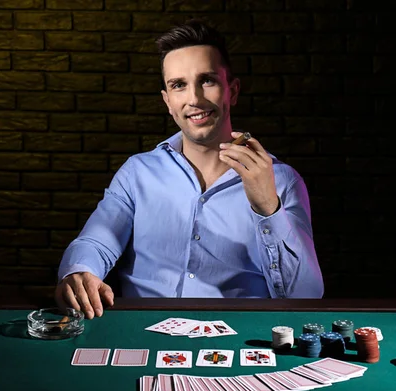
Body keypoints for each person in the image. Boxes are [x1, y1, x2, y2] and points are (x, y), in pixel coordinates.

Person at [55, 20, 324, 319]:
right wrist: (79, 271)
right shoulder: (137, 172)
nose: (194, 99)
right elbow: (96, 241)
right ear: (168, 101)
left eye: (207, 80)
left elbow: (306, 297)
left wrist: (267, 208)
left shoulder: (283, 180)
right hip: (143, 332)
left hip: (240, 339)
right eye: (179, 85)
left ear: (232, 91)